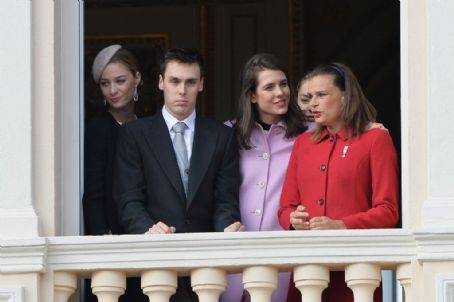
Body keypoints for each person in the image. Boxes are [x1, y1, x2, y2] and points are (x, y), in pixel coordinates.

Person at [113, 47, 243, 302]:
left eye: (190, 82)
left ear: (201, 84)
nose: (182, 91)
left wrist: (226, 228)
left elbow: (225, 200)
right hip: (153, 267)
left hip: (205, 269)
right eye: (174, 81)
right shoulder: (134, 134)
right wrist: (148, 228)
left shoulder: (222, 136)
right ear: (161, 82)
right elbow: (128, 200)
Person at [279, 63, 399, 302]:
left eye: (322, 95)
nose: (313, 103)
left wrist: (342, 224)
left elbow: (388, 211)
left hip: (356, 272)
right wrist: (293, 220)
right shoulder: (303, 144)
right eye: (309, 96)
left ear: (345, 97)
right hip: (308, 271)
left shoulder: (375, 139)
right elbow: (285, 208)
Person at [220, 53, 307, 302]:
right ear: (252, 95)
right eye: (269, 87)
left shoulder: (308, 134)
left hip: (283, 258)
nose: (280, 92)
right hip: (234, 257)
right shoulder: (228, 133)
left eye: (283, 84)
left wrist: (366, 127)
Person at [82, 44, 143, 301]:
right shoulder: (98, 128)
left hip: (145, 241)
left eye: (120, 81)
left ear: (137, 78)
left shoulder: (148, 126)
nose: (113, 90)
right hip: (112, 245)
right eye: (105, 84)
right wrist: (102, 243)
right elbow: (93, 193)